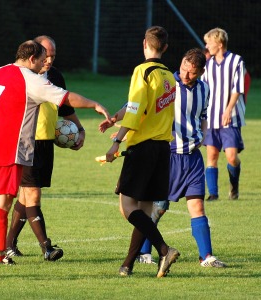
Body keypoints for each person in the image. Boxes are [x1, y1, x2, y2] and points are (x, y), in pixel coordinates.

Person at [0, 40, 110, 265]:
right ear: (31, 59)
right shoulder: (31, 80)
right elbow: (66, 98)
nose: (43, 65)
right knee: (4, 201)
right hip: (8, 148)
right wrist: (95, 104)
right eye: (41, 60)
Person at [99, 26, 180, 278]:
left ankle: (164, 249)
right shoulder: (169, 76)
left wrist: (117, 142)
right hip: (162, 148)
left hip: (142, 147)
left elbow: (135, 108)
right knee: (145, 211)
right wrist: (117, 117)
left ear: (144, 43)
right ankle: (128, 265)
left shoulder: (142, 71)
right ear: (165, 47)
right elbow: (143, 106)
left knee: (127, 207)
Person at [135, 48, 226, 268]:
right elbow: (142, 107)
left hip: (193, 158)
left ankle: (206, 257)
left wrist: (203, 134)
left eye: (192, 72)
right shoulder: (167, 85)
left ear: (201, 73)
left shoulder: (204, 89)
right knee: (158, 207)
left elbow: (203, 115)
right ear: (182, 62)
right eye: (185, 67)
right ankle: (144, 252)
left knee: (197, 207)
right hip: (168, 156)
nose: (186, 74)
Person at [5, 35, 85, 261]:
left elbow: (65, 107)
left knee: (26, 194)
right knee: (32, 194)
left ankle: (8, 243)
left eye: (53, 55)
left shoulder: (56, 75)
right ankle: (46, 247)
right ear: (35, 54)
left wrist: (79, 129)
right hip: (25, 141)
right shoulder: (24, 77)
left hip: (46, 142)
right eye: (45, 55)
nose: (49, 60)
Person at [201, 28, 246, 201]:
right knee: (211, 155)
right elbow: (203, 89)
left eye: (209, 42)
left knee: (232, 157)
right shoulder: (207, 64)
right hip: (211, 118)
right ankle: (213, 194)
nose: (206, 45)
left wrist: (227, 110)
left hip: (231, 117)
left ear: (219, 44)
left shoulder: (236, 61)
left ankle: (234, 187)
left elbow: (238, 89)